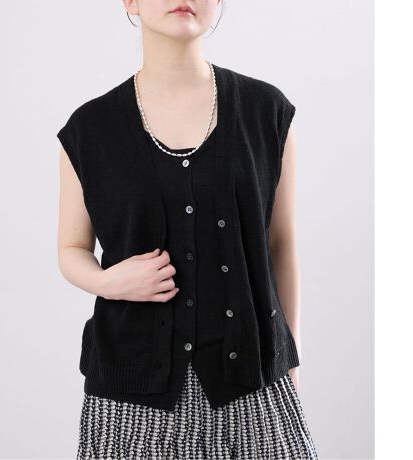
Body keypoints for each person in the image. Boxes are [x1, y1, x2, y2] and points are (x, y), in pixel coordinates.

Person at [56, 1, 319, 459]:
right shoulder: (89, 129)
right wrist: (109, 281)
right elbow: (71, 247)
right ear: (130, 2)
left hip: (254, 383)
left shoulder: (267, 112)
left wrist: (289, 361)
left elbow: (281, 245)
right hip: (130, 400)